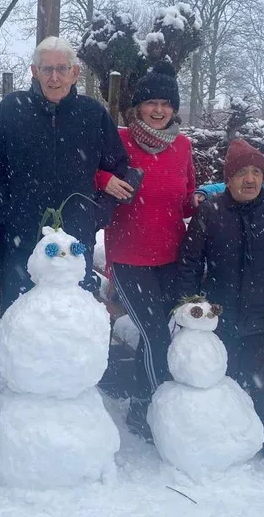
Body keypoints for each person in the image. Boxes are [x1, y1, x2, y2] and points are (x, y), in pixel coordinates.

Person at [177, 139, 264, 466]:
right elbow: (191, 263)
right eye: (241, 173)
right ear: (228, 178)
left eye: (256, 172)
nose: (249, 179)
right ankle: (224, 435)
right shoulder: (210, 212)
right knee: (223, 378)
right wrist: (188, 309)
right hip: (219, 317)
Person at [0, 36, 128, 309]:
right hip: (22, 240)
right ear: (34, 71)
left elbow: (118, 166)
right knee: (22, 320)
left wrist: (98, 213)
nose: (54, 77)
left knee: (72, 322)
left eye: (62, 69)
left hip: (74, 242)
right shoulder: (11, 110)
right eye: (46, 69)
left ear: (75, 73)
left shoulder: (92, 113)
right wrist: (6, 214)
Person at [94, 61, 198, 440]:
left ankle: (142, 405)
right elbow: (90, 171)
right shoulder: (118, 140)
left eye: (166, 104)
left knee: (159, 332)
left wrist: (203, 200)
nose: (159, 110)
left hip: (170, 255)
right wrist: (106, 180)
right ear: (138, 107)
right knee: (155, 333)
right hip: (127, 256)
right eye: (151, 102)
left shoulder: (183, 146)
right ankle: (161, 411)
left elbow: (185, 199)